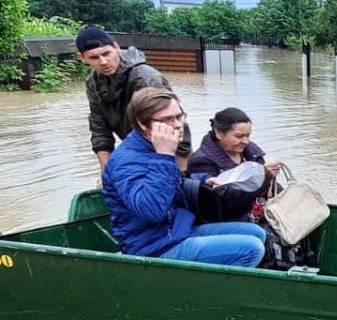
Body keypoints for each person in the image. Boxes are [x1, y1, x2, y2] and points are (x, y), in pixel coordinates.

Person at [101, 87, 265, 267]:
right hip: (152, 247)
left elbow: (170, 184)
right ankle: (212, 294)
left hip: (176, 230)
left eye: (179, 116)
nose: (178, 124)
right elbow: (151, 211)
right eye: (167, 119)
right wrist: (164, 156)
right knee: (251, 248)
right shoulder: (127, 160)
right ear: (142, 123)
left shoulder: (154, 147)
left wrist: (202, 181)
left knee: (256, 233)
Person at [77, 26, 192, 172]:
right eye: (94, 57)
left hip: (167, 151)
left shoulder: (145, 79)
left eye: (107, 53)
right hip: (135, 149)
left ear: (116, 47)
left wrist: (181, 171)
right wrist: (105, 171)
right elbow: (99, 129)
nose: (104, 61)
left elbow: (177, 125)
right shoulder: (93, 84)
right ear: (82, 58)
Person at [188, 108, 282, 222]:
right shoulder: (201, 162)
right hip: (230, 220)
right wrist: (264, 178)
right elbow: (232, 203)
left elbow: (272, 187)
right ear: (219, 133)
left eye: (248, 136)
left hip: (262, 211)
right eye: (239, 136)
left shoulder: (251, 152)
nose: (245, 141)